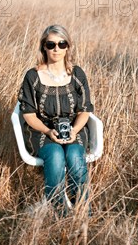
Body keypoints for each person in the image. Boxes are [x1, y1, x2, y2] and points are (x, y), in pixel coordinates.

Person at [18, 24, 94, 216]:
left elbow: (85, 110)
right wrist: (47, 131)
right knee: (56, 156)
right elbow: (28, 114)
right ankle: (58, 210)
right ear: (43, 47)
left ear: (68, 46)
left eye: (62, 44)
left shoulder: (77, 74)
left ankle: (83, 210)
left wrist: (75, 130)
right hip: (41, 131)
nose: (56, 49)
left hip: (74, 130)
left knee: (75, 157)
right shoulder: (33, 76)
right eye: (51, 44)